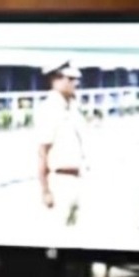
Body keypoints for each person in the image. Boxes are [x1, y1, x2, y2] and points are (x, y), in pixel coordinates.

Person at [34, 60, 89, 227]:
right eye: (70, 79)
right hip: (59, 181)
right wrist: (45, 190)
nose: (75, 83)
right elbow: (42, 151)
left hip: (77, 178)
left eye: (76, 79)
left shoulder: (72, 108)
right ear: (55, 80)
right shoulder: (49, 109)